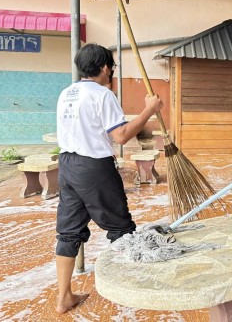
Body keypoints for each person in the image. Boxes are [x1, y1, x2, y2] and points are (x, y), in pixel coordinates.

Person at [54, 44, 163, 314]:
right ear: (104, 68)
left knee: (68, 233)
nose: (111, 72)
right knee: (121, 227)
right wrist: (149, 109)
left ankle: (64, 297)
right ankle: (134, 291)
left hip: (67, 166)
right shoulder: (102, 94)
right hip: (94, 167)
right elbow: (122, 136)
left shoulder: (66, 93)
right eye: (111, 67)